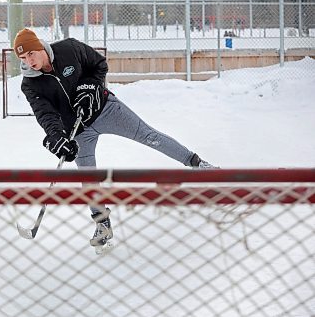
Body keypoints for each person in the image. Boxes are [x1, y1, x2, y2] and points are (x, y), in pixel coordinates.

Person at [13, 28, 216, 252]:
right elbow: (45, 114)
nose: (28, 61)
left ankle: (197, 163)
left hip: (106, 110)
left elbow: (98, 65)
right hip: (78, 128)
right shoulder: (30, 84)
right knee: (88, 177)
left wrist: (89, 88)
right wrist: (56, 137)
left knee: (150, 136)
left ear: (40, 46)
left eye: (31, 54)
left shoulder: (69, 49)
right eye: (22, 58)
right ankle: (103, 225)